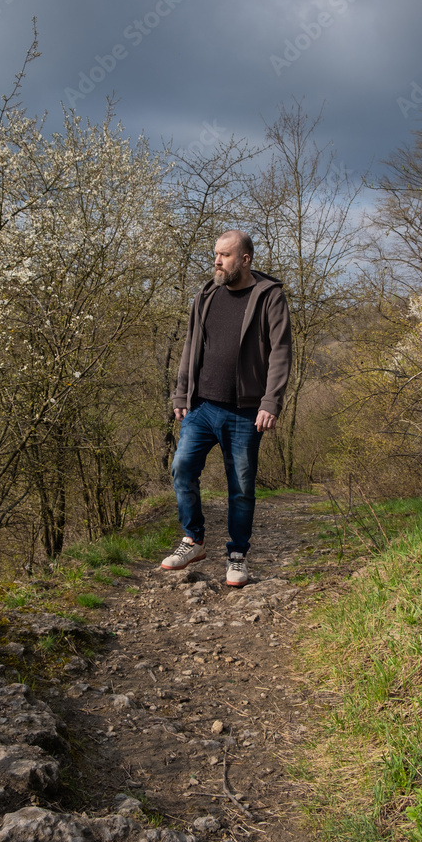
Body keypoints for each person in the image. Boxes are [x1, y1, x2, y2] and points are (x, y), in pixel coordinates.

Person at [161, 229, 292, 587]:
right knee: (182, 468)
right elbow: (191, 345)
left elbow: (281, 352)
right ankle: (194, 540)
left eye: (225, 255)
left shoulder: (269, 297)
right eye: (216, 254)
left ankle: (237, 555)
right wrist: (181, 394)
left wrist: (271, 401)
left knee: (241, 486)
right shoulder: (206, 294)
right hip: (202, 406)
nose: (217, 261)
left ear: (245, 259)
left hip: (246, 412)